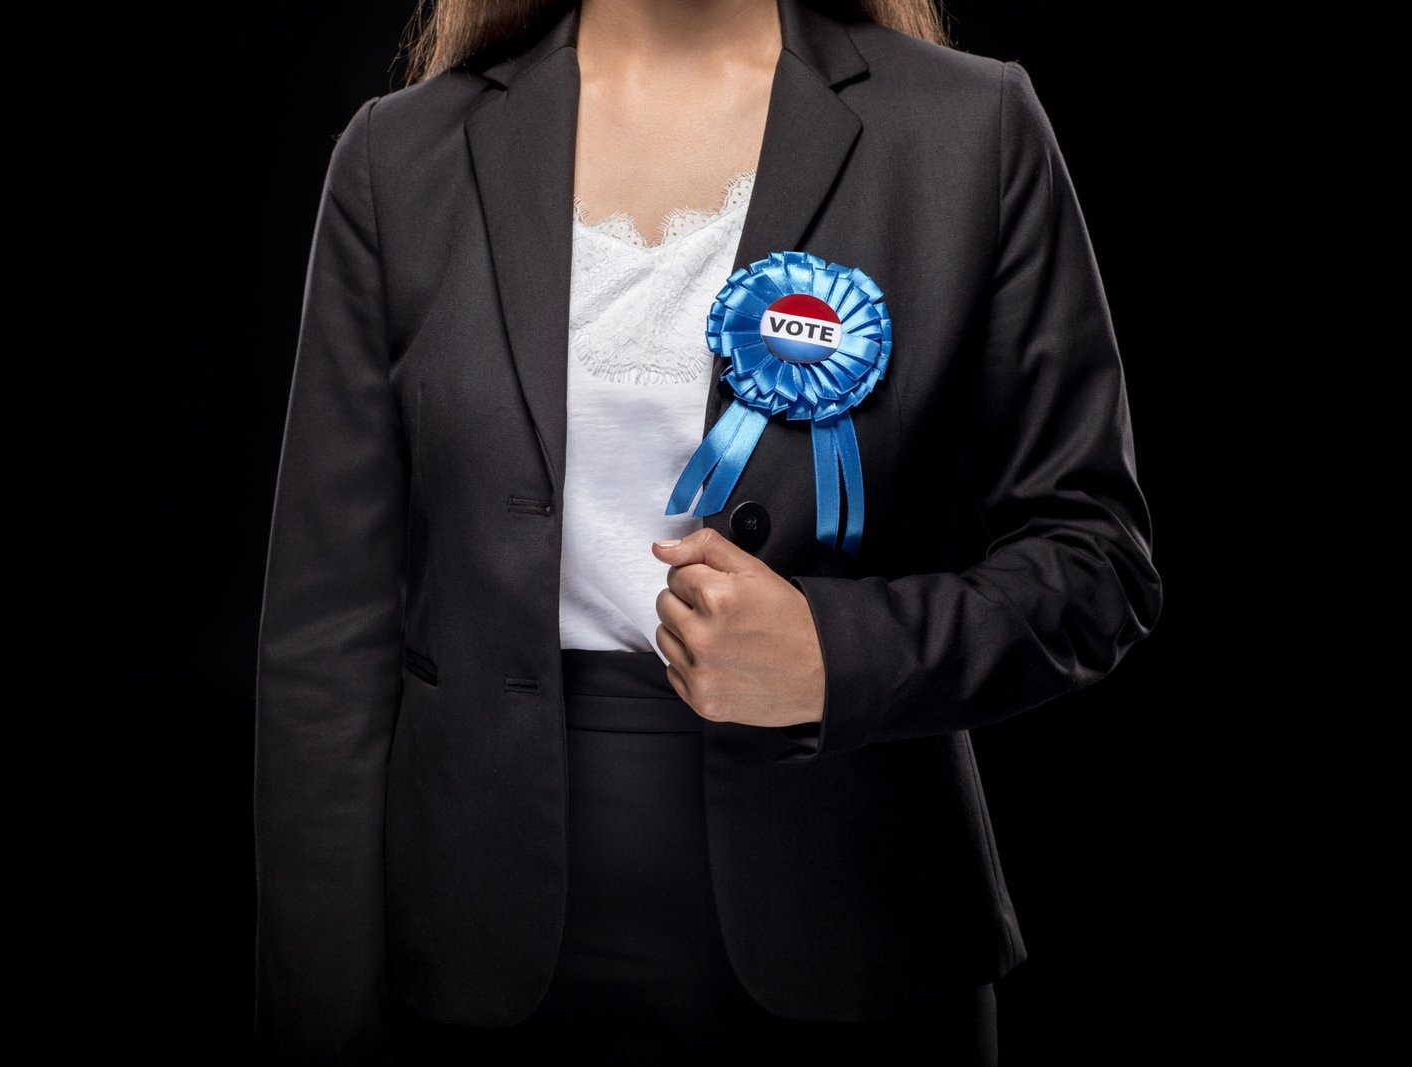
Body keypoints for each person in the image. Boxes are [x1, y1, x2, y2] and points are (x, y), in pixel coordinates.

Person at [252, 0, 1164, 1063]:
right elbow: (325, 647)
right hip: (470, 950)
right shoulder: (399, 155)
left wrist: (840, 652)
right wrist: (312, 1020)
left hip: (862, 939)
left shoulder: (971, 126)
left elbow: (1097, 559)